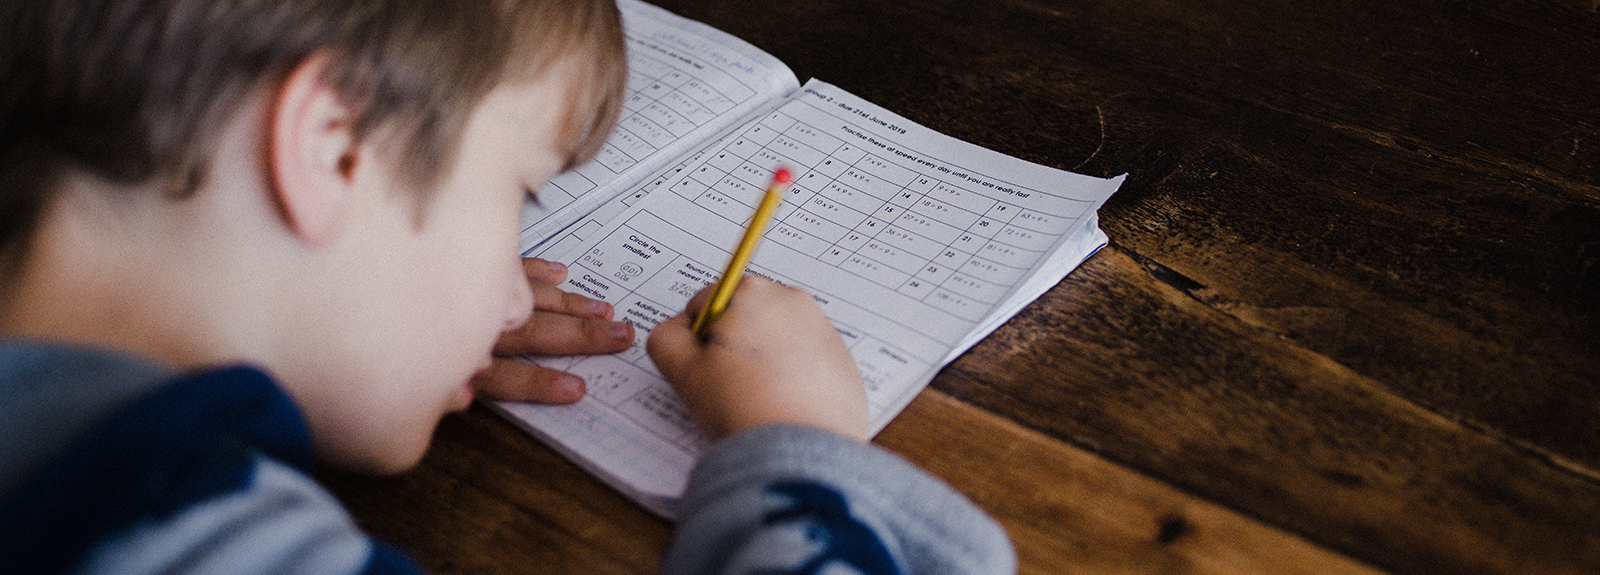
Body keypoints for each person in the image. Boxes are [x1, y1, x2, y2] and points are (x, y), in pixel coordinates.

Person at [0, 0, 1016, 573]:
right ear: (336, 148)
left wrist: (358, 326)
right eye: (519, 196)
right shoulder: (171, 531)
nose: (517, 298)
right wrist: (799, 451)